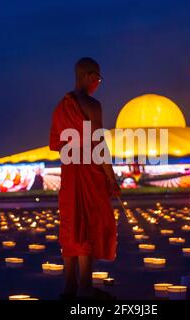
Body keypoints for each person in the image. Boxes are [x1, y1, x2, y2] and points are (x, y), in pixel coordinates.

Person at [49, 57, 120, 300]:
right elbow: (99, 143)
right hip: (89, 168)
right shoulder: (91, 104)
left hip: (70, 170)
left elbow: (57, 144)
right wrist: (111, 177)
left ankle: (70, 286)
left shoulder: (62, 105)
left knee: (71, 222)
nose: (99, 83)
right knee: (88, 222)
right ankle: (86, 287)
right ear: (89, 76)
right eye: (98, 78)